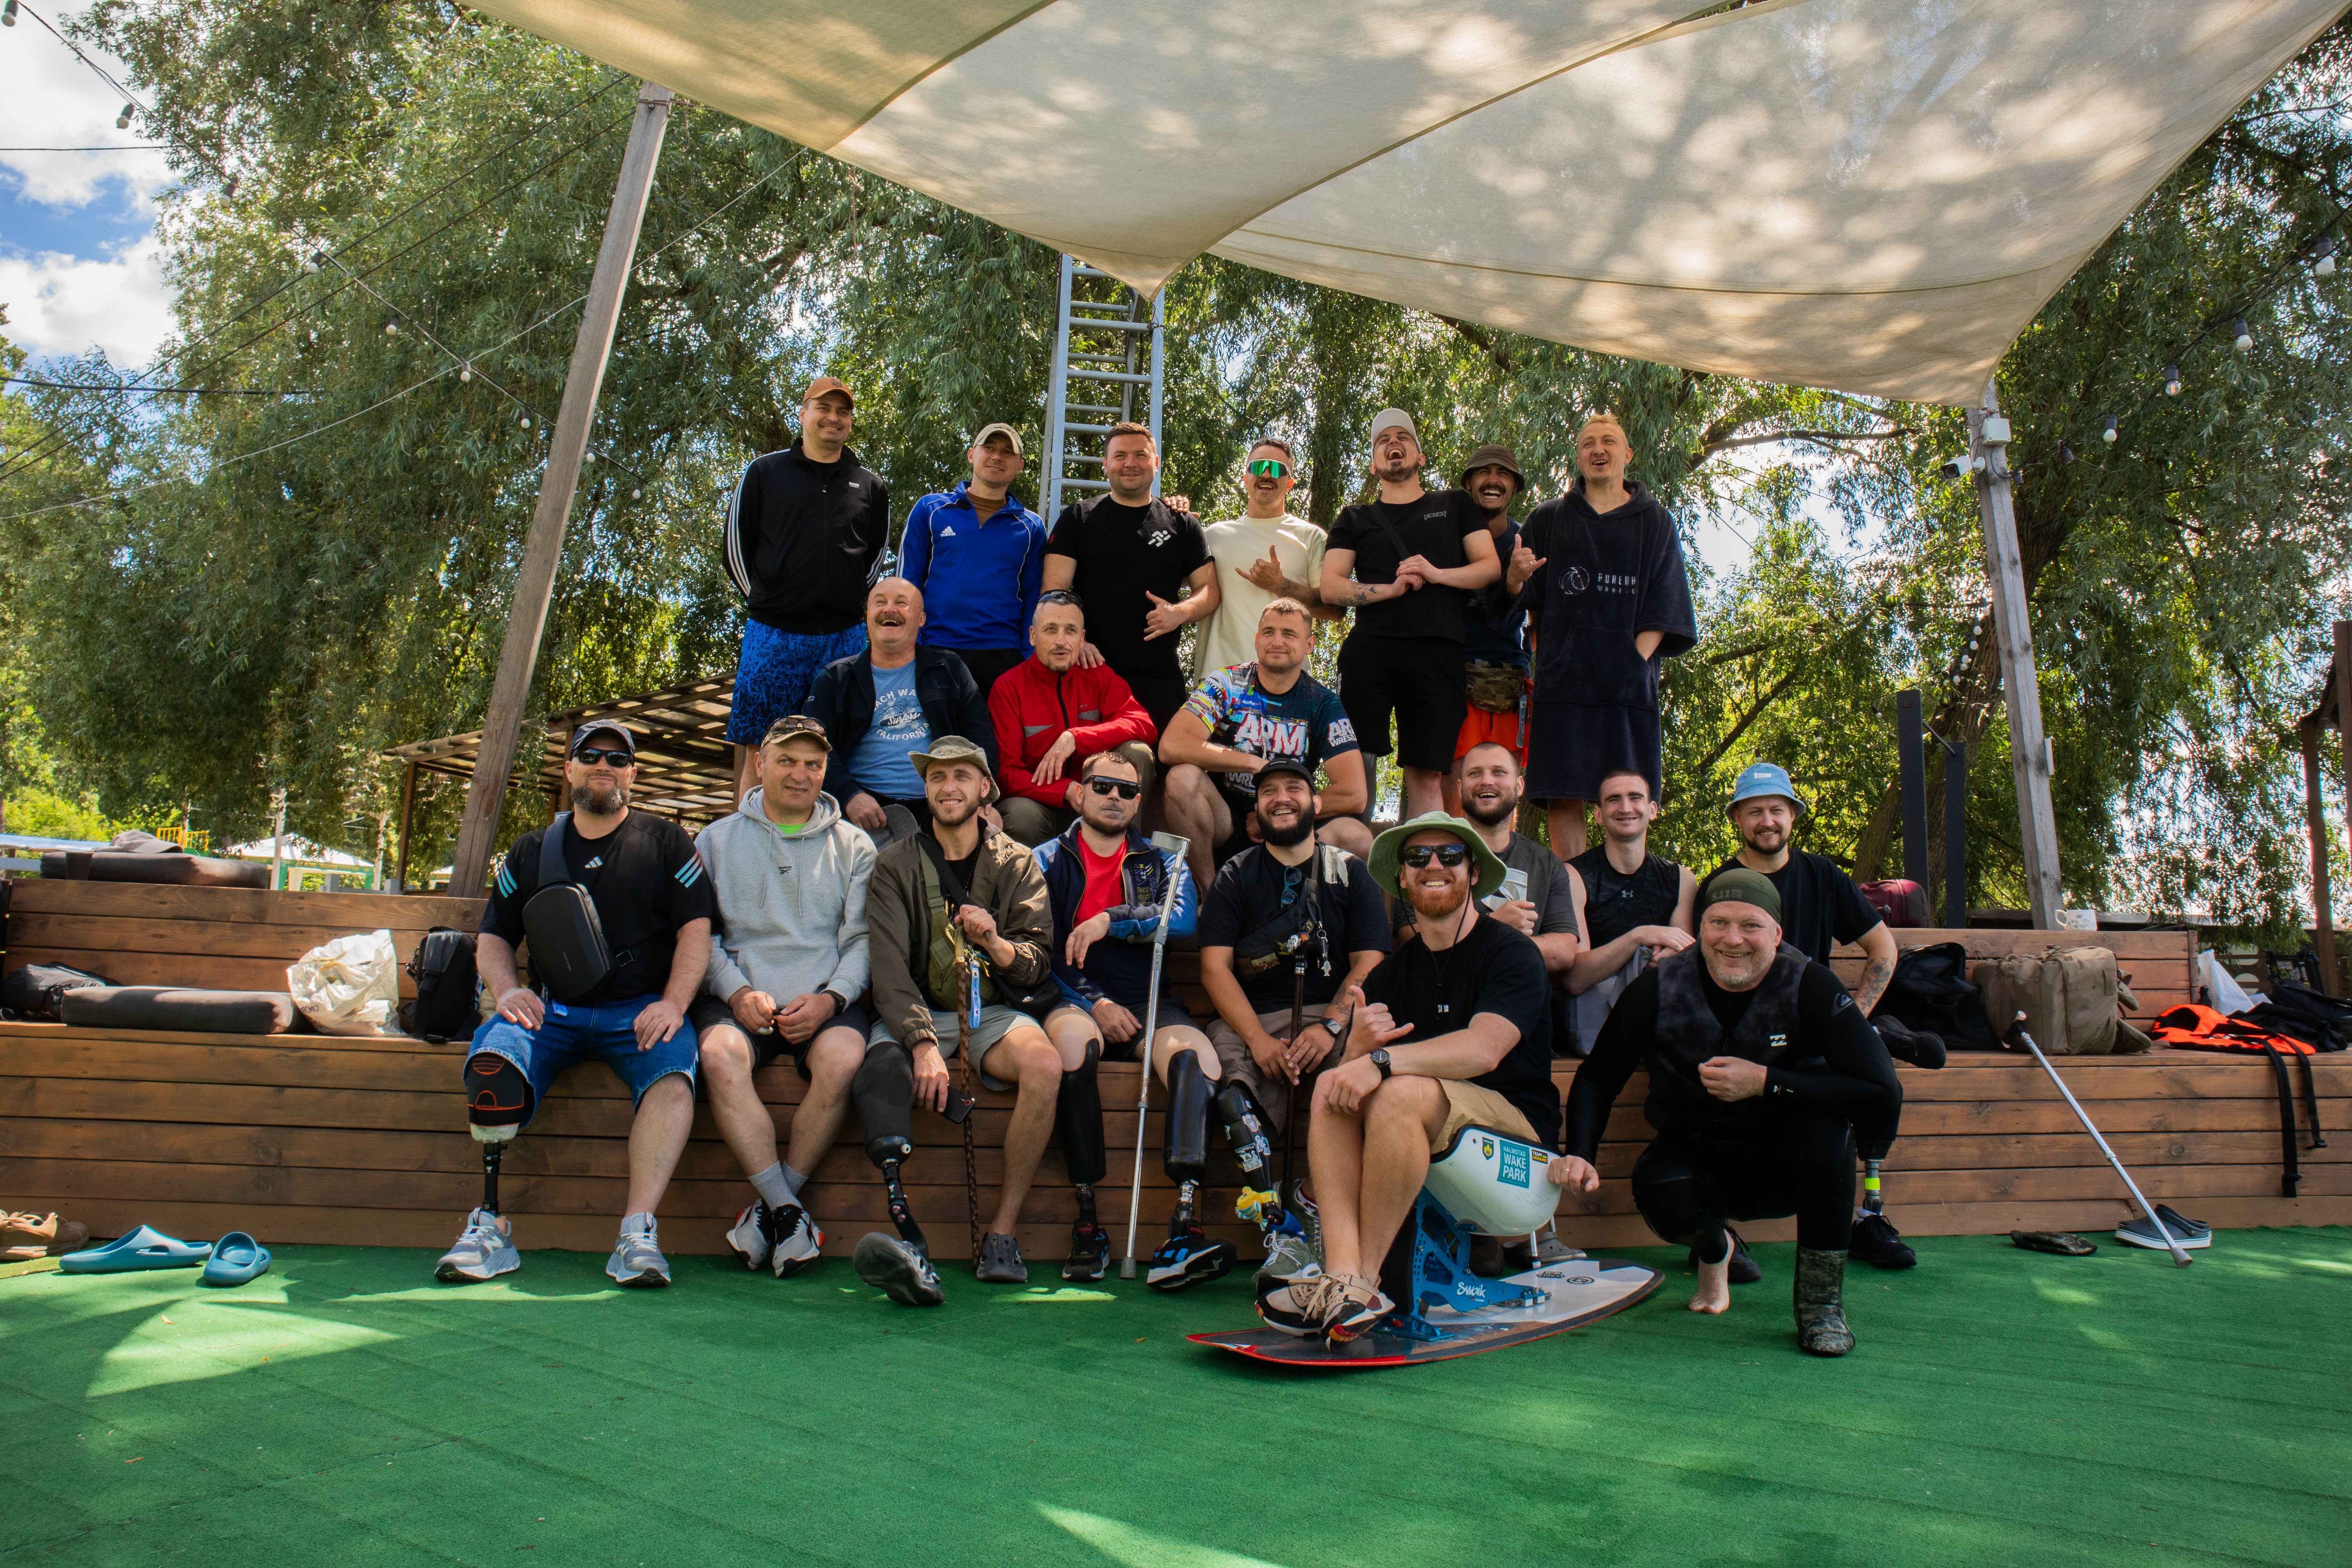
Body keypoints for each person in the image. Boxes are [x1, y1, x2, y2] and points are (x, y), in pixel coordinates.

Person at [1550, 871, 1901, 1356]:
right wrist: (1581, 1152)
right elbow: (1596, 1078)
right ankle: (1716, 1250)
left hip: (1788, 1164)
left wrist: (1766, 1082)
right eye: (1718, 923)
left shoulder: (1811, 985)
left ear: (1777, 934)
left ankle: (1821, 1304)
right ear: (1700, 929)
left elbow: (1881, 1091)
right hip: (1697, 1156)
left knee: (1826, 1130)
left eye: (1750, 925)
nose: (1732, 939)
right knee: (1661, 1191)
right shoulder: (1659, 988)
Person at [1256, 814, 1559, 1343]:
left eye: (1449, 855)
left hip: (1519, 1167)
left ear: (1473, 873)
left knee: (1395, 1092)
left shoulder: (1512, 953)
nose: (1433, 866)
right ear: (1401, 877)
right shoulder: (1388, 976)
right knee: (1332, 1089)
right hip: (1431, 1147)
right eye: (1418, 858)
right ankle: (1343, 1276)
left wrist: (1380, 1063)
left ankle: (1364, 1281)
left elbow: (1486, 1050)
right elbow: (1347, 1082)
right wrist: (1355, 1050)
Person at [437, 724, 714, 1288]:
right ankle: (490, 1226)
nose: (603, 764)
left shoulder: (668, 843)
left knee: (673, 1076)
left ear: (634, 773)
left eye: (618, 757)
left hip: (639, 1011)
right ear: (569, 770)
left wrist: (674, 1004)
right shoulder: (533, 849)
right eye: (589, 755)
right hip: (551, 1011)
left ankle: (637, 1234)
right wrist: (507, 991)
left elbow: (696, 932)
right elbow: (494, 936)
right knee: (495, 1060)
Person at [862, 737, 1073, 1290]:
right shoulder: (893, 865)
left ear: (985, 788)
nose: (948, 787)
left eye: (961, 775)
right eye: (936, 777)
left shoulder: (1018, 862)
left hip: (992, 1015)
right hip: (917, 1011)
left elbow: (1035, 964)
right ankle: (908, 1240)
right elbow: (887, 970)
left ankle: (1001, 1234)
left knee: (1046, 1067)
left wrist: (998, 944)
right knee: (879, 1076)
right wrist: (922, 1042)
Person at [1031, 750, 1244, 1290]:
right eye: (1103, 786)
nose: (1115, 798)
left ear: (1138, 802)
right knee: (1072, 1054)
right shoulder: (1044, 859)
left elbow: (1184, 917)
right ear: (1079, 794)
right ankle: (1087, 1222)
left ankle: (1183, 1228)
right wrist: (1094, 1002)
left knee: (1199, 1063)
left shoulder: (1162, 860)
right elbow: (1039, 949)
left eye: (1127, 791)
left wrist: (1112, 920)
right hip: (1074, 999)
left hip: (1150, 1001)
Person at [691, 716, 878, 1285]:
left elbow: (863, 940)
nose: (801, 775)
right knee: (719, 1055)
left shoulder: (855, 845)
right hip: (741, 996)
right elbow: (702, 937)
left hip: (822, 1000)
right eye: (788, 761)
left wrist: (831, 1000)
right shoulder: (715, 840)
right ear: (759, 762)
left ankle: (775, 1209)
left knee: (846, 1059)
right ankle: (790, 1213)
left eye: (814, 765)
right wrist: (737, 991)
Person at [1706, 760, 1914, 1271]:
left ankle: (1865, 1217)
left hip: (1814, 1040)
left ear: (1793, 815)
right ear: (1738, 818)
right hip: (1740, 1037)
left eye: (1777, 809)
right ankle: (1715, 1228)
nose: (1767, 821)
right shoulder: (1720, 882)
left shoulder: (1824, 876)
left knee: (1879, 1083)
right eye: (1755, 811)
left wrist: (1854, 1020)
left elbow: (1882, 949)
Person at [1195, 756, 1392, 1281]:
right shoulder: (1236, 876)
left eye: (1294, 788)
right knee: (1232, 1092)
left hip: (1335, 1015)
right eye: (1270, 792)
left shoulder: (1351, 873)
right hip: (1254, 1018)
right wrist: (1258, 1039)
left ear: (1316, 803)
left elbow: (1371, 961)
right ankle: (1281, 1232)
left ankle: (1319, 1201)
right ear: (1256, 813)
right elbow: (1215, 970)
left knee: (1375, 1067)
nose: (1282, 798)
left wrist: (1330, 1024)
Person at [1504, 412, 1697, 858]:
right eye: (1589, 442)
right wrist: (1514, 579)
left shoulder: (1656, 522)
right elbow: (1520, 600)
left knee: (1630, 797)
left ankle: (1625, 890)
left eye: (1609, 441)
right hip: (1564, 685)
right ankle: (1572, 897)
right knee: (1564, 795)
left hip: (1628, 689)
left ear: (1627, 455)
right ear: (1578, 456)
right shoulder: (1548, 519)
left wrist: (1631, 663)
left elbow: (1665, 605)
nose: (1598, 449)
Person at [1318, 408, 1502, 820]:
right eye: (1382, 441)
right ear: (1373, 464)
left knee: (1426, 774)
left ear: (1420, 457)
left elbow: (1490, 568)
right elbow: (1331, 585)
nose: (1392, 444)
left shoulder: (1455, 505)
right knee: (1358, 764)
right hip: (1370, 653)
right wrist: (1390, 589)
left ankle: (1423, 870)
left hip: (1437, 652)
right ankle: (1354, 872)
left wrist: (1435, 574)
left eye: (1402, 437)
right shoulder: (1355, 517)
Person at [1453, 738, 1586, 1274]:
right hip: (1452, 1016)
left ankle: (1534, 1228)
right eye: (1475, 772)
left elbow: (1565, 948)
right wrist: (1496, 933)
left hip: (1525, 1025)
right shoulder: (1438, 850)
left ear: (1519, 786)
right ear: (1459, 787)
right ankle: (1475, 1229)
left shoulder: (1544, 863)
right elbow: (1408, 938)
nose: (1487, 781)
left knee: (1533, 1110)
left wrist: (1493, 947)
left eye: (1499, 773)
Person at [723, 376, 890, 802]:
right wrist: (768, 603)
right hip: (773, 634)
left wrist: (848, 606)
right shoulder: (764, 472)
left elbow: (874, 561)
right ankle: (748, 852)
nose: (833, 418)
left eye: (843, 411)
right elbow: (735, 549)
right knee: (761, 749)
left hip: (845, 639)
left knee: (837, 752)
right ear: (803, 413)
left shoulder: (871, 485)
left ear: (851, 422)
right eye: (824, 408)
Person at [1158, 599, 1372, 891]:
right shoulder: (1226, 683)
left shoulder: (1323, 703)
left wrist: (1276, 812)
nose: (1277, 641)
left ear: (1309, 645)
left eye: (1289, 634)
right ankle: (1212, 898)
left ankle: (1308, 916)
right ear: (1257, 640)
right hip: (1227, 821)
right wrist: (1253, 763)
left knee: (1357, 837)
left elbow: (1354, 794)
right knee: (1182, 778)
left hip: (1290, 824)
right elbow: (1171, 745)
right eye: (1269, 632)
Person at [1043, 421, 1216, 732]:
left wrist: (1180, 612)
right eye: (1120, 456)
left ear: (1156, 463)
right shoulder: (1077, 518)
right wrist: (1075, 639)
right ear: (1106, 465)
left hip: (1158, 677)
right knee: (1091, 771)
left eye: (1140, 455)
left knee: (1168, 774)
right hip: (1089, 670)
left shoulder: (1183, 524)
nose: (1130, 463)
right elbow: (1053, 590)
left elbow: (1209, 590)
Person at [804, 578, 995, 847]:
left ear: (921, 619)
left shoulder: (950, 669)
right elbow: (815, 748)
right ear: (867, 616)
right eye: (879, 602)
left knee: (994, 836)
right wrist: (849, 795)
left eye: (901, 603)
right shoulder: (835, 679)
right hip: (862, 812)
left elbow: (981, 734)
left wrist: (982, 798)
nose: (889, 609)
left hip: (943, 804)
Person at [989, 590, 1158, 846]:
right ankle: (1040, 882)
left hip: (1098, 799)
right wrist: (1066, 790)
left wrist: (1076, 739)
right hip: (1038, 805)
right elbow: (1006, 774)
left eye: (1070, 631)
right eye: (1050, 630)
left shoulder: (1097, 675)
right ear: (1033, 636)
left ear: (1082, 639)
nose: (1061, 641)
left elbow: (1143, 724)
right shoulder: (1008, 687)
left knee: (1138, 752)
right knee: (1019, 816)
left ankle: (1125, 856)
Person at [899, 423, 1049, 696]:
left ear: (1020, 466)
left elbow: (1034, 599)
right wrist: (911, 644)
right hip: (936, 646)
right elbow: (907, 584)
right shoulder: (930, 510)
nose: (997, 456)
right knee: (936, 739)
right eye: (989, 448)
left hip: (1003, 654)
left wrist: (1029, 657)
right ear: (971, 454)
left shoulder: (1031, 526)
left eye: (1007, 452)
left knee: (995, 739)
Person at [1565, 767, 1699, 1055]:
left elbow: (1684, 960)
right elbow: (1575, 979)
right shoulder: (1575, 876)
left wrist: (1666, 958)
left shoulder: (1680, 880)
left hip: (1660, 1012)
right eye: (1614, 800)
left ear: (1652, 810)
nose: (1626, 808)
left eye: (1635, 798)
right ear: (1598, 814)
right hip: (1597, 1023)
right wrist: (1638, 937)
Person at [1194, 438, 1340, 679]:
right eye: (1258, 467)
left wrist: (1280, 586)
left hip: (1288, 681)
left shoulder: (1311, 537)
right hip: (1219, 682)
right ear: (1246, 478)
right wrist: (1174, 523)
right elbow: (1167, 576)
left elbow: (1335, 610)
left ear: (1290, 483)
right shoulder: (1211, 535)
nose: (1267, 474)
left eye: (1277, 469)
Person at [1444, 445, 1532, 817]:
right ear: (1469, 483)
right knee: (1455, 782)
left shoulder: (1526, 541)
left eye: (1503, 474)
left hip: (1509, 677)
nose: (1493, 480)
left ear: (1514, 486)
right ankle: (1453, 862)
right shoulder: (1444, 537)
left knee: (1502, 783)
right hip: (1451, 673)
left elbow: (1542, 615)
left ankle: (1499, 865)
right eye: (1484, 472)